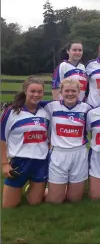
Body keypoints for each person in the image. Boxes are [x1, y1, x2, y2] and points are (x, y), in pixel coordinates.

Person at [39, 79, 92, 203]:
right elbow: (30, 103)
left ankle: (64, 186)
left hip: (79, 153)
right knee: (55, 201)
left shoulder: (87, 108)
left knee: (74, 200)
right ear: (61, 92)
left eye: (73, 91)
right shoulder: (50, 106)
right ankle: (43, 189)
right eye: (66, 90)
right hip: (58, 153)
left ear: (79, 92)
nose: (70, 94)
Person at [1, 76, 50, 208]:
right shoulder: (11, 112)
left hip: (41, 162)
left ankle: (32, 189)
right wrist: (5, 164)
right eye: (32, 91)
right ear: (25, 91)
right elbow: (2, 138)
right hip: (20, 162)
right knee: (8, 205)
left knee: (34, 203)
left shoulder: (46, 111)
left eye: (39, 92)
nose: (36, 95)